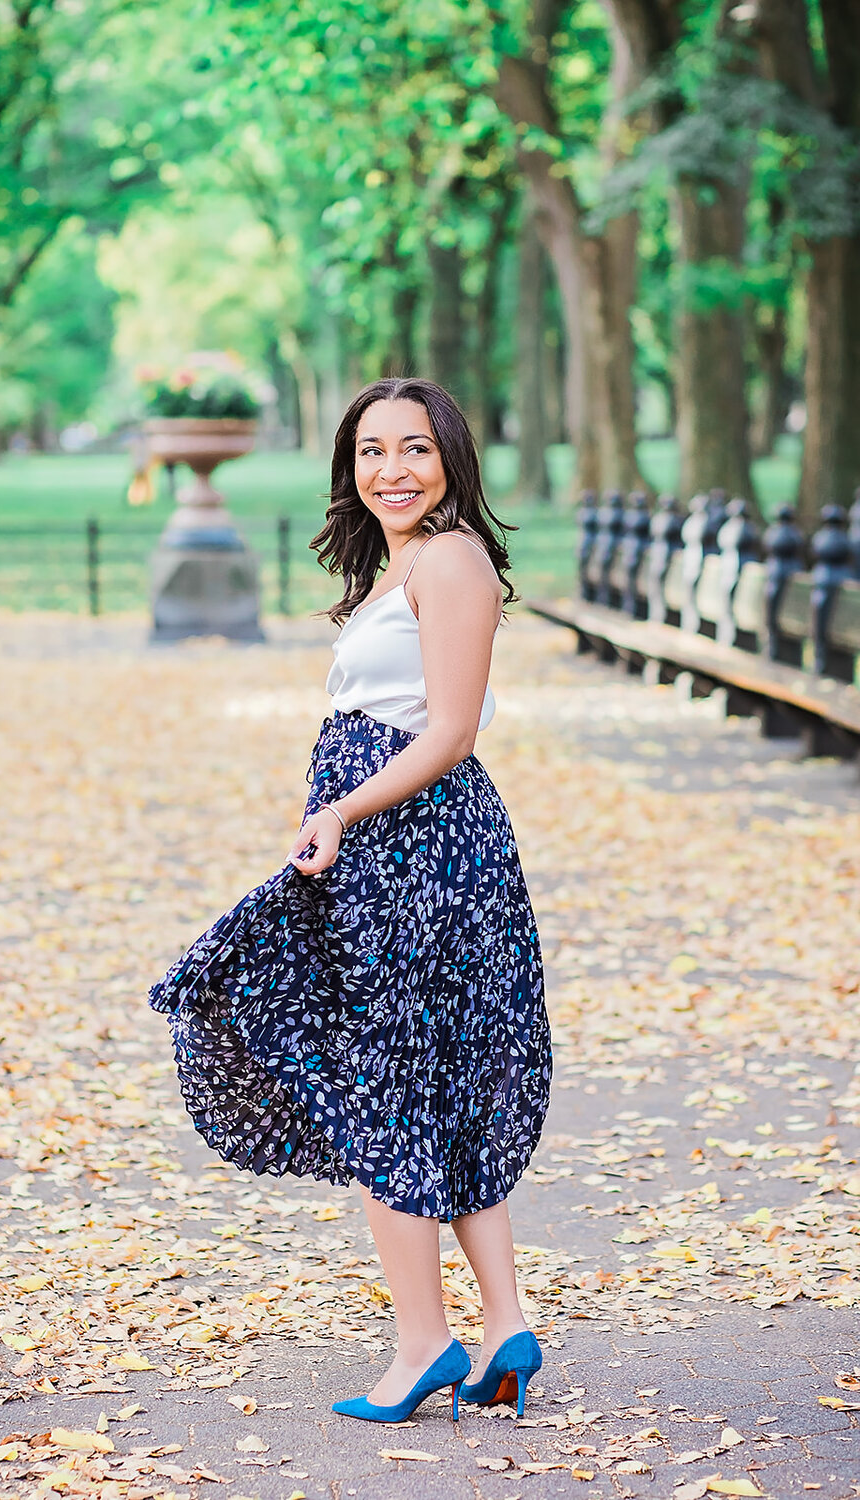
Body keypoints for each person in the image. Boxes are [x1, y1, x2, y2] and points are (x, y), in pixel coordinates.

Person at [149, 376, 552, 1424]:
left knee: (380, 1078)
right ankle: (504, 1322)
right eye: (371, 451)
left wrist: (340, 811)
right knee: (424, 1074)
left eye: (413, 449)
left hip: (415, 844)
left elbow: (450, 732)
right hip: (385, 842)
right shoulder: (400, 562)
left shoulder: (454, 560)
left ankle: (425, 1343)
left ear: (451, 459)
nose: (392, 470)